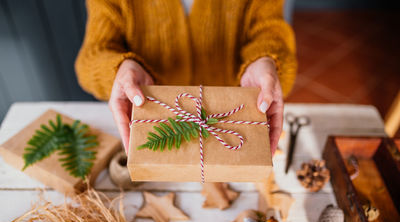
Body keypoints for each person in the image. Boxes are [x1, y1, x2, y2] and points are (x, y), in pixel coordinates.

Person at [75, 0, 297, 156]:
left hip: (230, 126)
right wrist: (120, 68)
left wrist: (266, 60)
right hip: (157, 128)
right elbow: (90, 59)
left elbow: (269, 30)